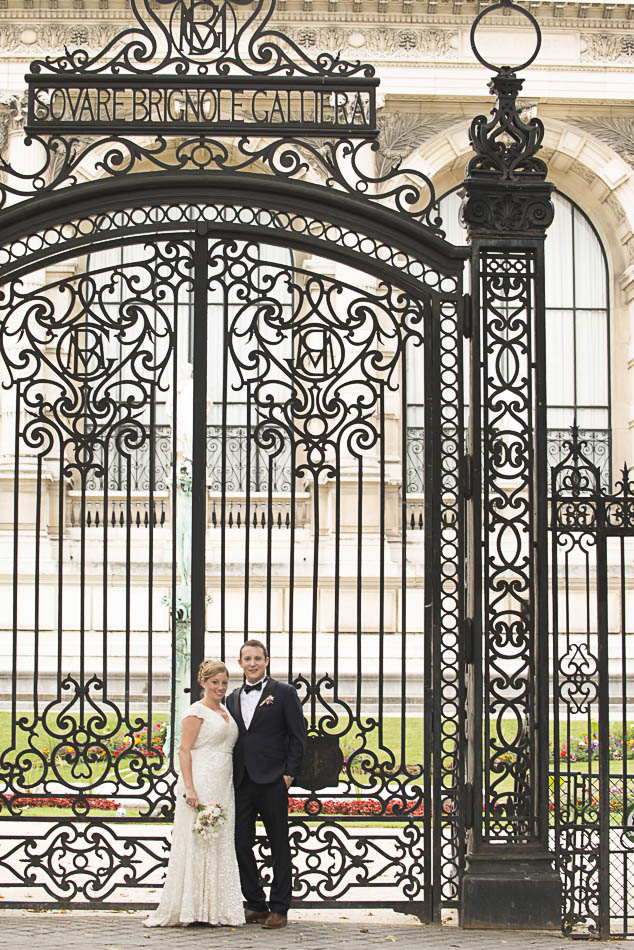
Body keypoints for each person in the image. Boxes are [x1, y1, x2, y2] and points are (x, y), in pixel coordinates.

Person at [145, 660, 245, 928]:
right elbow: (184, 750)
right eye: (215, 683)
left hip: (223, 782)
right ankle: (193, 907)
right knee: (198, 841)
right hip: (201, 781)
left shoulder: (225, 710)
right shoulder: (195, 712)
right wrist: (189, 788)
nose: (220, 688)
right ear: (203, 682)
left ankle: (216, 908)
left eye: (224, 683)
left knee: (219, 840)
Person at [225, 639, 307, 930]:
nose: (253, 663)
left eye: (257, 658)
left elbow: (298, 736)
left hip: (273, 780)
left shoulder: (283, 692)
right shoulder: (232, 698)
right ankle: (256, 904)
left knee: (279, 844)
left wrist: (289, 775)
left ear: (267, 661)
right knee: (240, 843)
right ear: (240, 663)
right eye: (247, 659)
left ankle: (280, 908)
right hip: (242, 781)